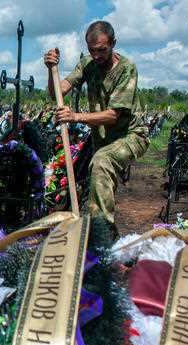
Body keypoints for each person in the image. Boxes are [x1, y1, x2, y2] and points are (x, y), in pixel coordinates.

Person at [44, 20, 149, 229]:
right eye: (92, 51)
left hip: (130, 136)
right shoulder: (87, 64)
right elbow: (56, 92)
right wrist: (50, 69)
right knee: (91, 181)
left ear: (113, 43)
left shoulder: (126, 69)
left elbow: (113, 115)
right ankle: (92, 226)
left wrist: (74, 117)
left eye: (102, 50)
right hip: (101, 139)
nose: (97, 56)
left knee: (101, 161)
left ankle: (101, 235)